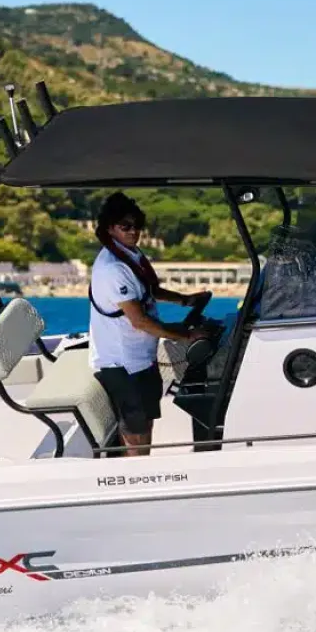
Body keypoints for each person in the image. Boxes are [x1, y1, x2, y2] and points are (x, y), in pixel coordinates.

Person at [88, 192, 211, 456]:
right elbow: (140, 320)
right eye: (126, 227)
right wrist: (185, 336)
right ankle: (135, 481)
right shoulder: (112, 269)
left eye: (137, 226)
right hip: (123, 363)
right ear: (110, 228)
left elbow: (149, 289)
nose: (134, 232)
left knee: (145, 420)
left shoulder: (130, 254)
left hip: (141, 357)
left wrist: (183, 300)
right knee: (136, 429)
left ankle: (139, 469)